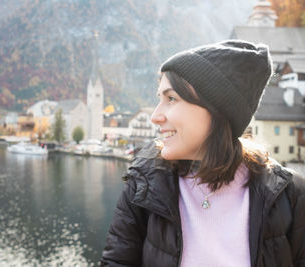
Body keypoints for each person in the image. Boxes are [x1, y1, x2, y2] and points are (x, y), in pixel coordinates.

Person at [100, 40, 305, 267]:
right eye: (159, 99)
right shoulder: (143, 184)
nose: (155, 116)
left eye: (171, 99)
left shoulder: (291, 196)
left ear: (216, 109)